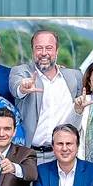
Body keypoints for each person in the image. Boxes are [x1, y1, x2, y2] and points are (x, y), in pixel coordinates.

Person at [9, 30, 83, 162]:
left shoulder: (74, 77)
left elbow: (80, 108)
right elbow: (16, 88)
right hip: (29, 155)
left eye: (49, 48)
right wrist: (23, 88)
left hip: (62, 156)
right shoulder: (21, 72)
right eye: (39, 48)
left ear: (57, 51)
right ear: (32, 51)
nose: (44, 53)